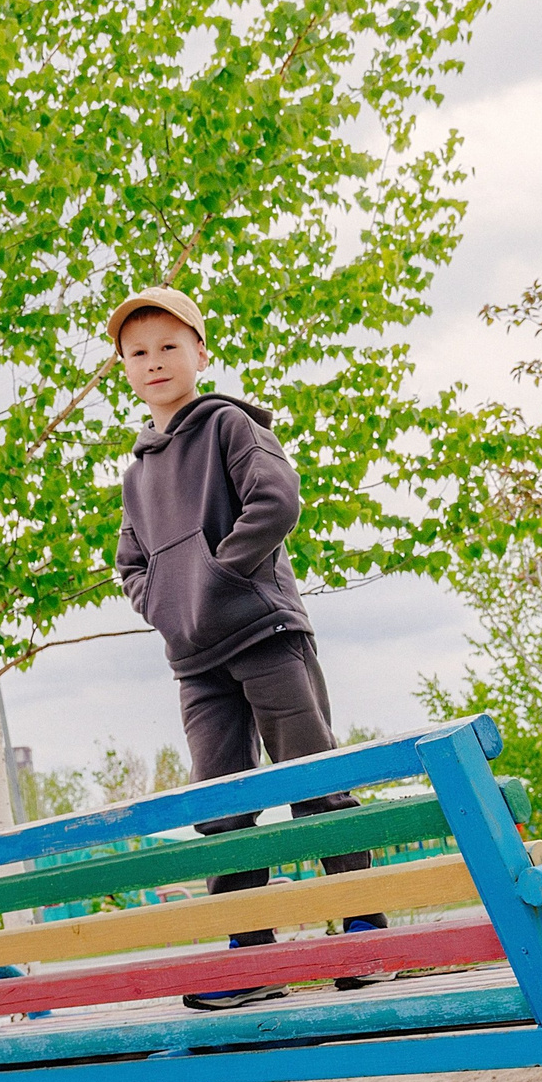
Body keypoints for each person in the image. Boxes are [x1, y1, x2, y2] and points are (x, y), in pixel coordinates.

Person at [107, 287, 386, 1012]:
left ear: (200, 351)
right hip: (196, 661)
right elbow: (132, 561)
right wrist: (169, 603)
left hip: (263, 633)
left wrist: (222, 574)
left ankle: (366, 934)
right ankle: (248, 952)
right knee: (223, 805)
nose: (155, 361)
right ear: (124, 369)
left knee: (314, 781)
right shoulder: (138, 470)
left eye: (170, 345)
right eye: (138, 352)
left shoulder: (227, 425)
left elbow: (277, 500)